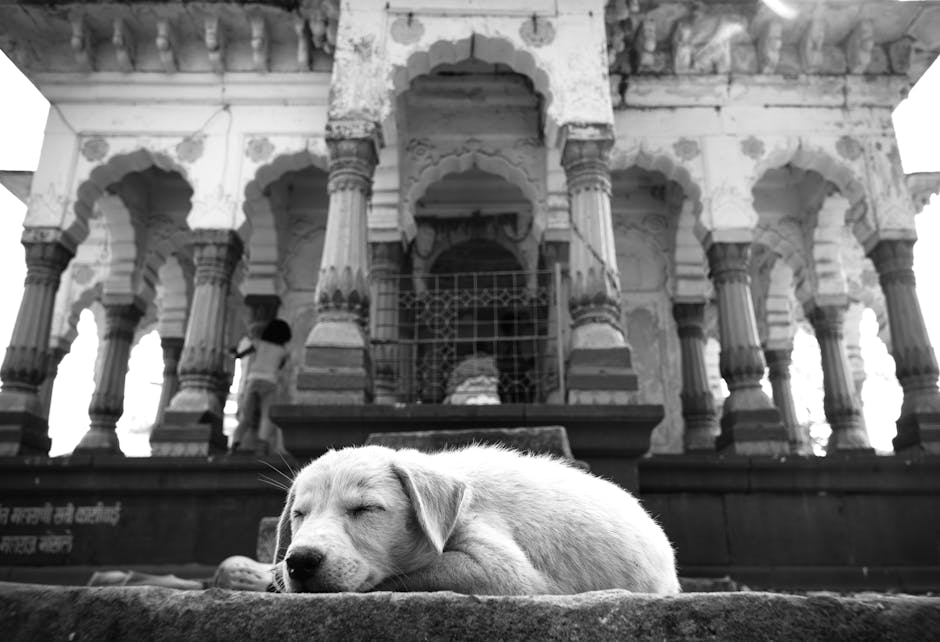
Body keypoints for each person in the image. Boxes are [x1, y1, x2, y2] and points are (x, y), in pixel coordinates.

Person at [229, 318, 292, 456]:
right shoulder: (283, 351)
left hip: (253, 380)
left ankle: (235, 443)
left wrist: (234, 353)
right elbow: (280, 367)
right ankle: (261, 448)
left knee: (246, 417)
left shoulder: (258, 343)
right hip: (270, 382)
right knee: (266, 417)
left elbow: (240, 355)